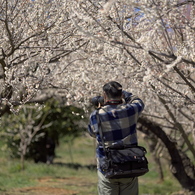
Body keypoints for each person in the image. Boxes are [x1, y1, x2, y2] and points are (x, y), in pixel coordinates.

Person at [88, 81, 145, 195]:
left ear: (104, 95)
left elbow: (92, 133)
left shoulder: (96, 115)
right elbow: (139, 101)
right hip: (129, 164)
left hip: (107, 166)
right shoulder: (131, 110)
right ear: (121, 94)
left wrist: (100, 108)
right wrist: (124, 94)